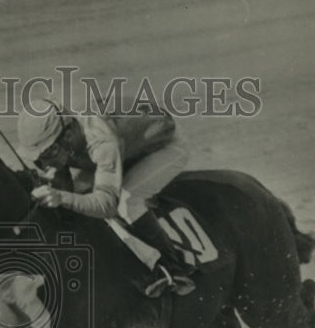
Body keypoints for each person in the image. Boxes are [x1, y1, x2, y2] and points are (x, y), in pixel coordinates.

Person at [17, 95, 195, 297]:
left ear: (68, 135)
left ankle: (172, 267)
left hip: (166, 147)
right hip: (117, 149)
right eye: (37, 160)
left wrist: (61, 197)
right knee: (79, 195)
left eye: (48, 153)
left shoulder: (101, 140)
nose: (44, 165)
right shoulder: (68, 135)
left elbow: (107, 205)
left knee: (126, 201)